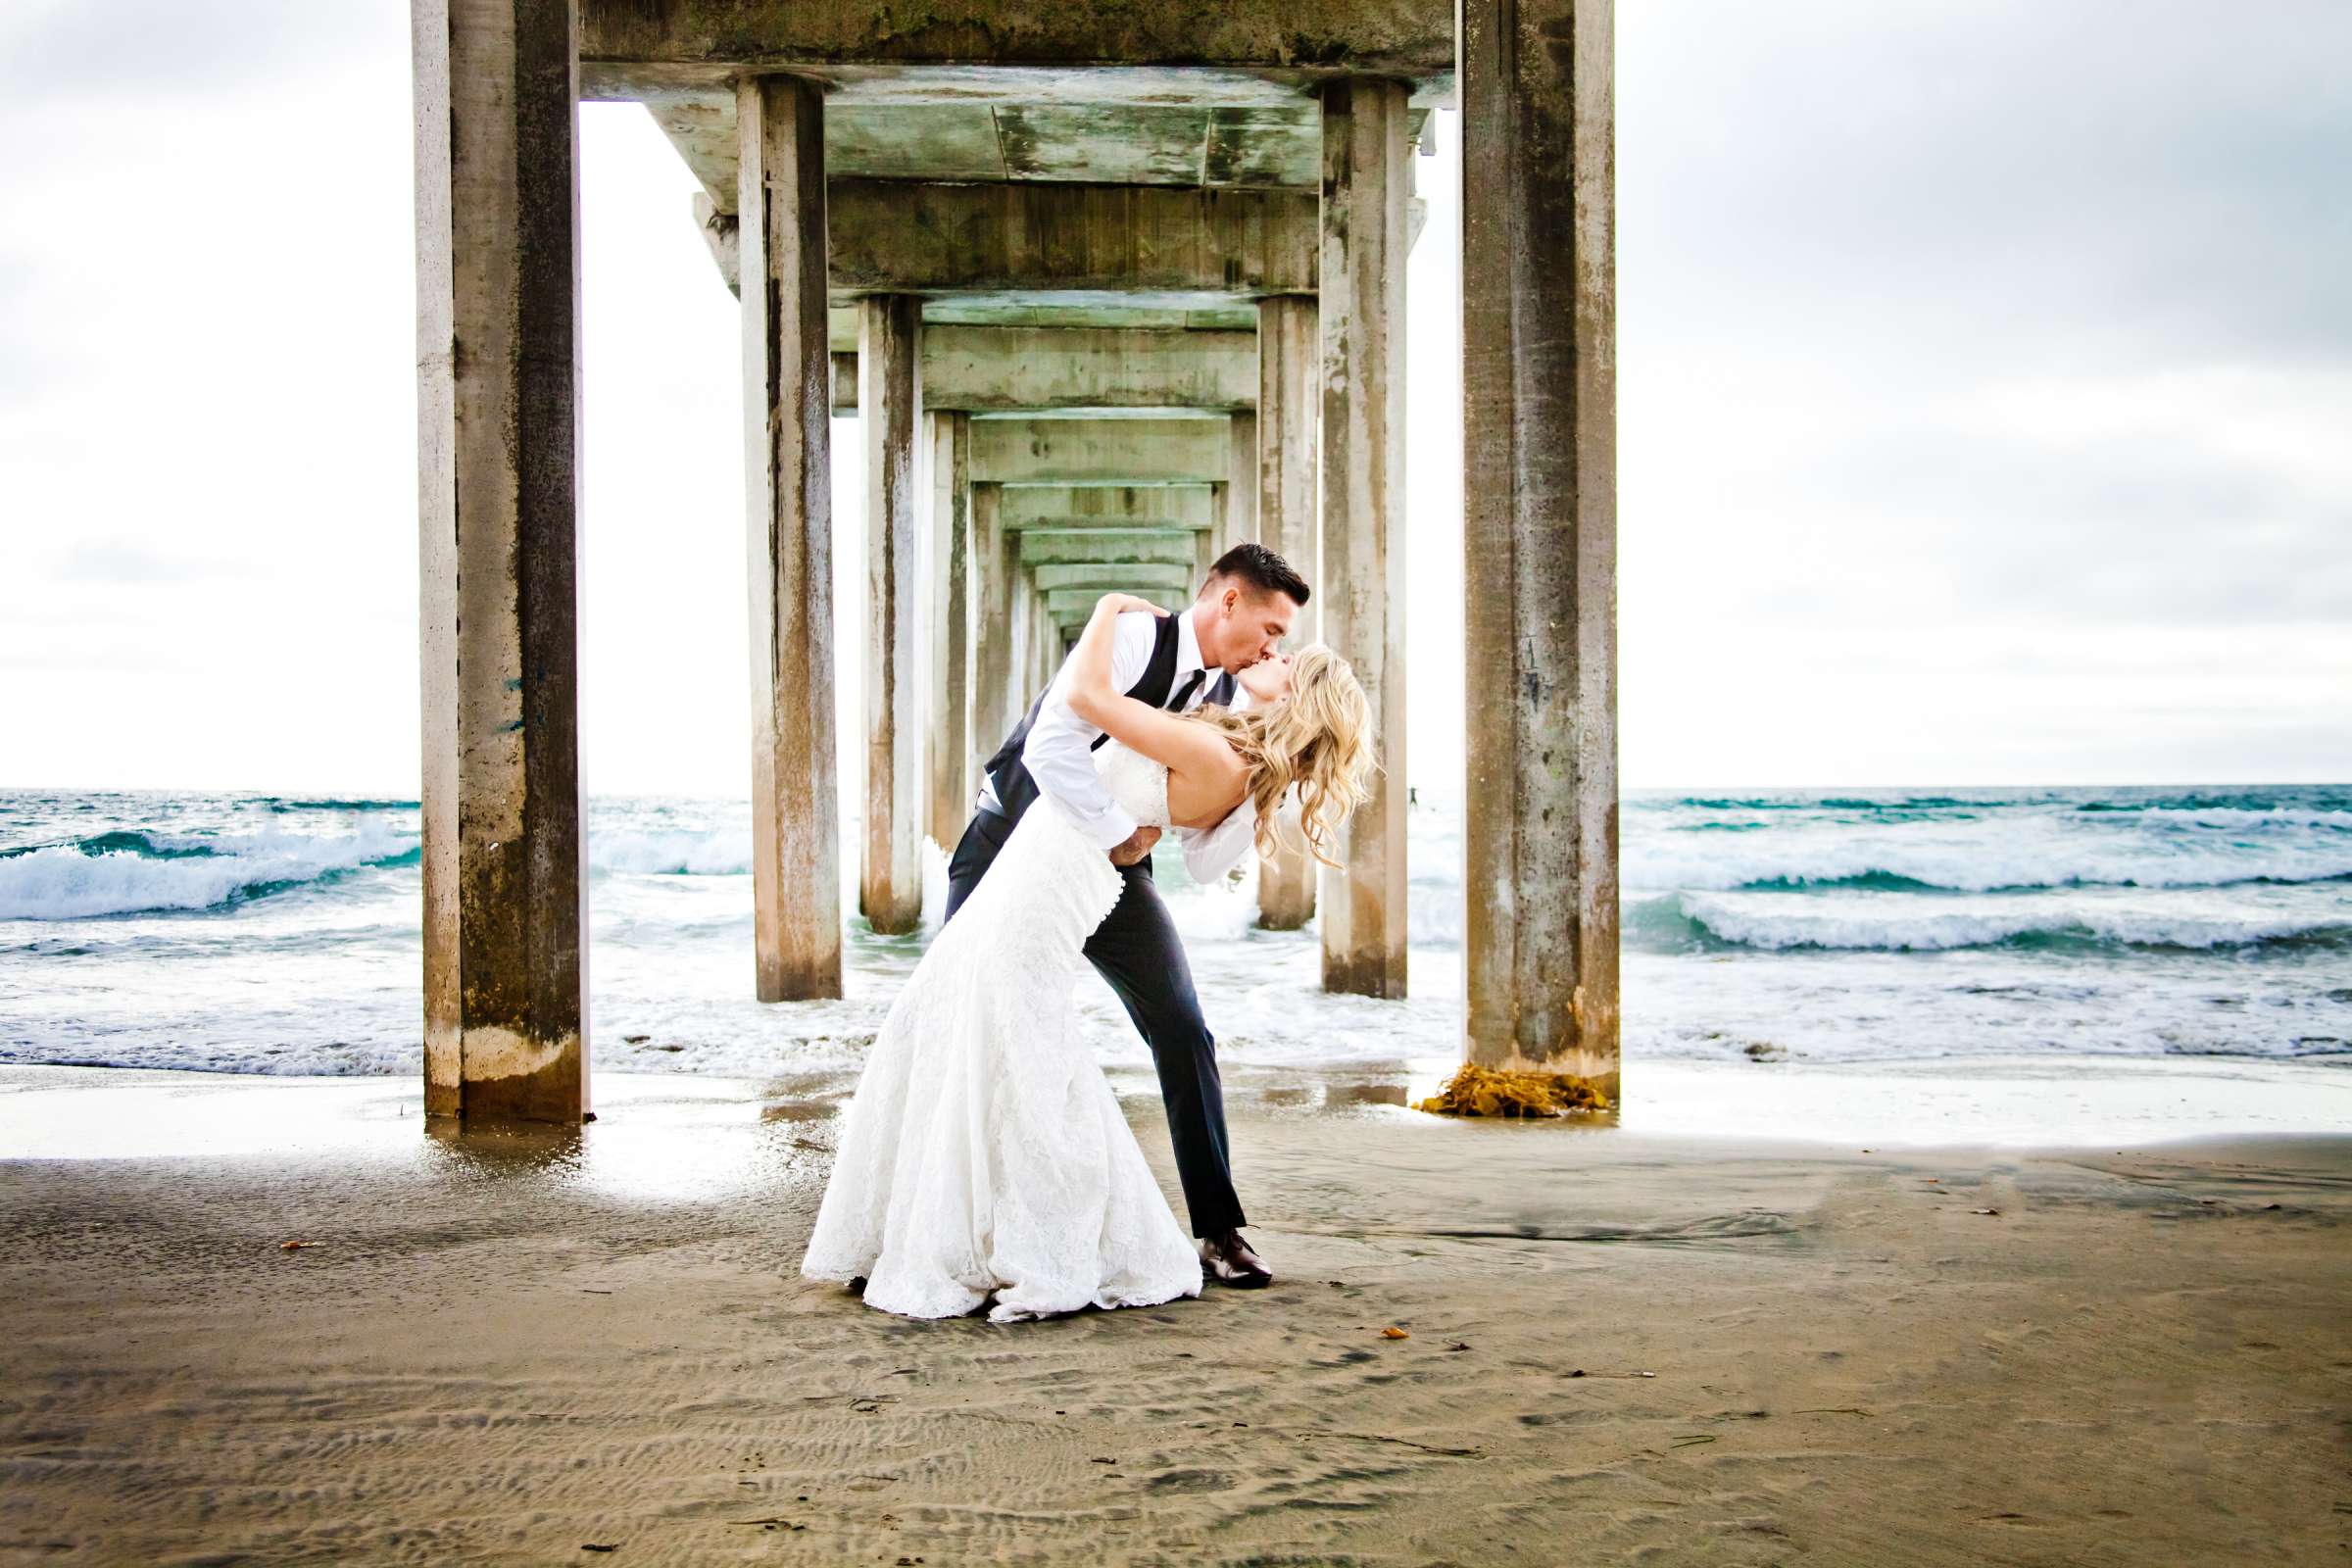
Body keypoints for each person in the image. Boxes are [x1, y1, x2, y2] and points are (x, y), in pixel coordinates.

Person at [801, 559, 1372, 1323]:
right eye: (1271, 629)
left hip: (1108, 861)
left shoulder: (1236, 694)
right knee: (958, 1020)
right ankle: (911, 1226)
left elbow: (1205, 829)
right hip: (1014, 840)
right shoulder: (1136, 638)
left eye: (1284, 645)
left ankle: (1219, 1229)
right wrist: (1121, 832)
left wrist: (1188, 822)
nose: (1273, 649)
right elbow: (1051, 748)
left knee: (1179, 1023)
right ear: (1229, 600)